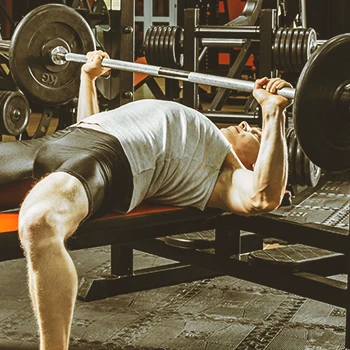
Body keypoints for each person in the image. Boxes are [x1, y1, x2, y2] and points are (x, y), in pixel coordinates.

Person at [1, 51, 292, 350]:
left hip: (109, 157)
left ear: (260, 164)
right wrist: (88, 79)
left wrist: (273, 114)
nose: (244, 125)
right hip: (70, 136)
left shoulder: (224, 175)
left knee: (40, 223)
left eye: (255, 133)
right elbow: (91, 122)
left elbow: (263, 196)